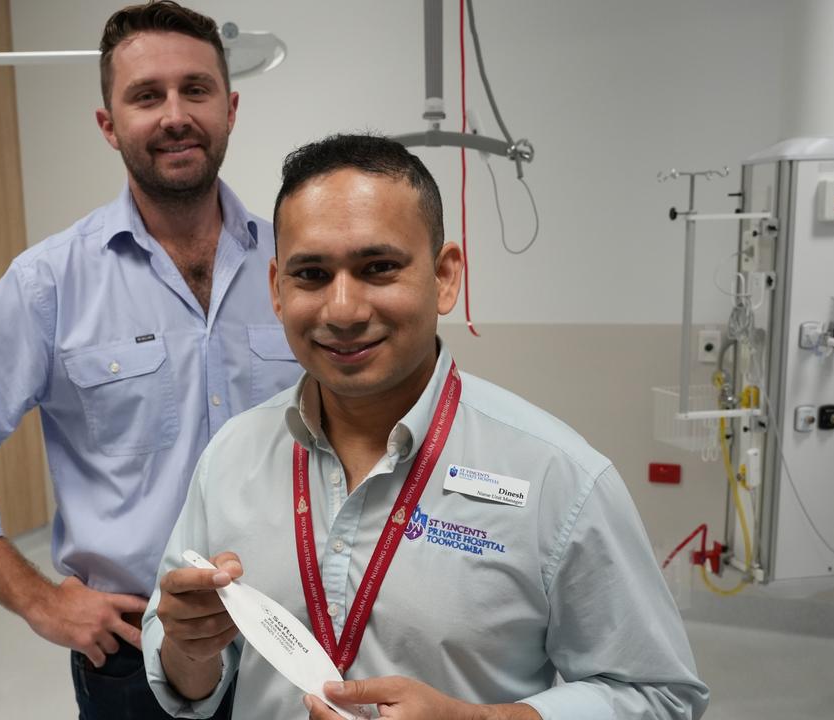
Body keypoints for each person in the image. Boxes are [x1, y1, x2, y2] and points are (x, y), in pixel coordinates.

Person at [143, 134, 710, 719]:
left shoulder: (556, 478)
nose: (343, 310)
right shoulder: (232, 456)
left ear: (444, 277)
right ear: (277, 290)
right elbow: (188, 678)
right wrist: (190, 649)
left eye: (379, 267)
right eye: (311, 274)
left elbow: (661, 695)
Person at [0, 3, 302, 718]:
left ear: (229, 109)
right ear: (109, 124)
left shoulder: (296, 267)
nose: (174, 115)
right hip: (132, 652)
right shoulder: (51, 283)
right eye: (145, 96)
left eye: (195, 90)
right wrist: (38, 599)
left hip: (293, 638)